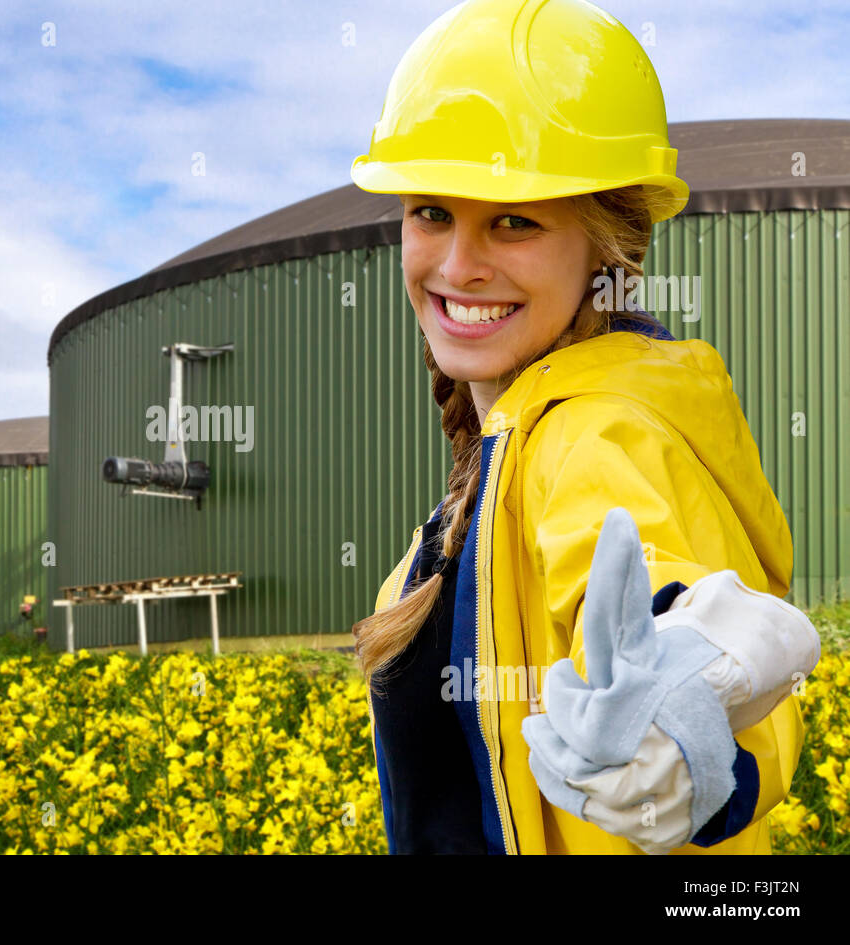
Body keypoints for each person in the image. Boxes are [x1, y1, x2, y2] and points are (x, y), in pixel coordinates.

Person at [349, 0, 821, 855]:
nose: (458, 264)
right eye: (431, 212)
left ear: (607, 245)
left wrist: (689, 718)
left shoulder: (596, 433)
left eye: (515, 219)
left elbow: (658, 593)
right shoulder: (495, 466)